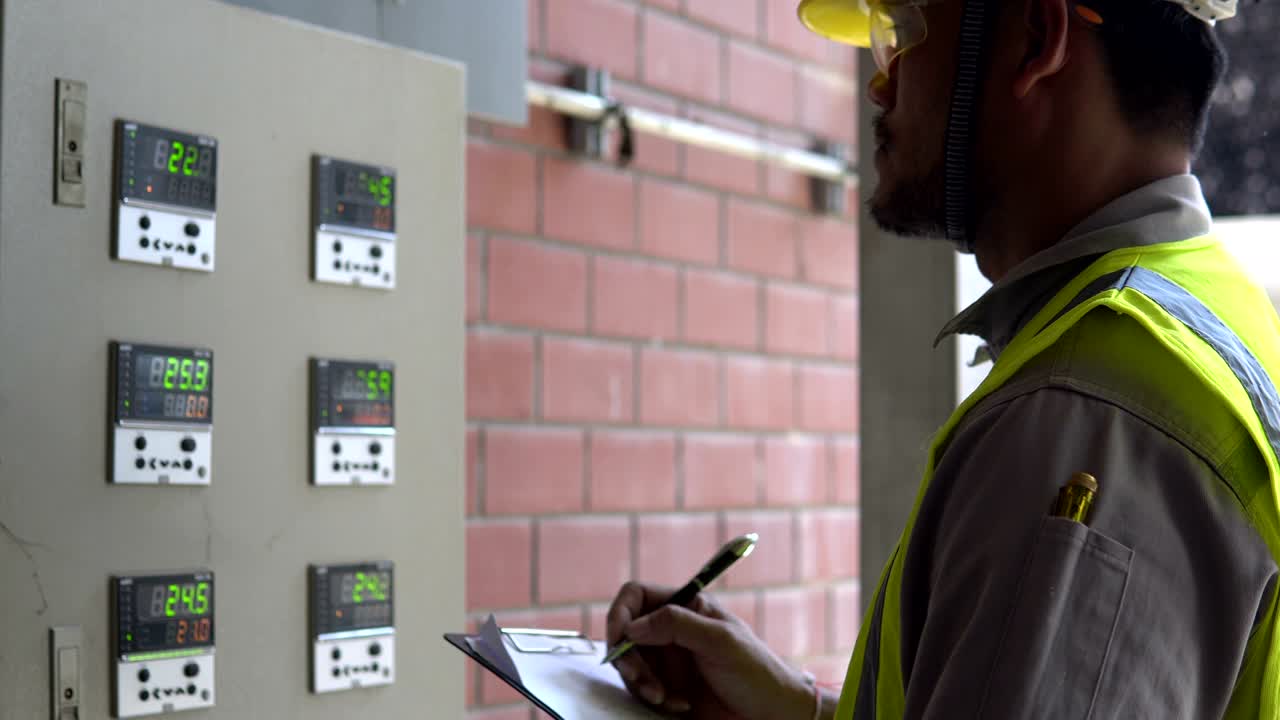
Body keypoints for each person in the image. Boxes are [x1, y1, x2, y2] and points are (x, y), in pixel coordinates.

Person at [605, 0, 1280, 716]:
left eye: (904, 32)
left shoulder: (1085, 414)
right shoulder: (1213, 312)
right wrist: (794, 707)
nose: (879, 83)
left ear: (1034, 41)